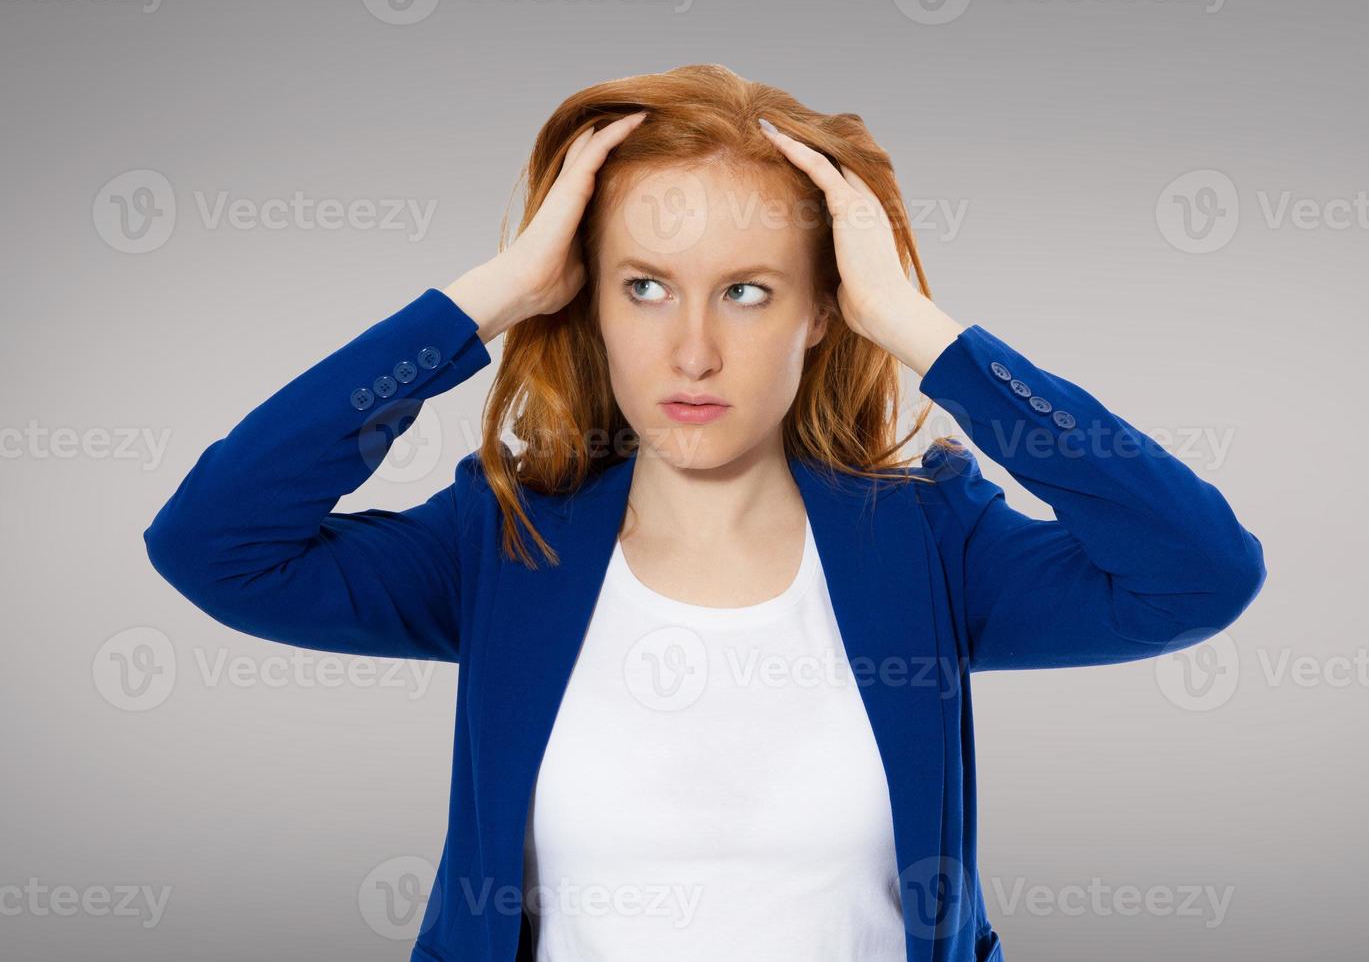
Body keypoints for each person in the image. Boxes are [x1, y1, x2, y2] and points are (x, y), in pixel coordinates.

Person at [144, 64, 1266, 962]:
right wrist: (482, 302)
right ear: (585, 298)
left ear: (823, 308)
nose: (691, 349)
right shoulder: (504, 539)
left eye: (747, 289)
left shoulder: (930, 543)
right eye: (643, 285)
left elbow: (1200, 572)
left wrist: (922, 330)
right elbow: (215, 542)